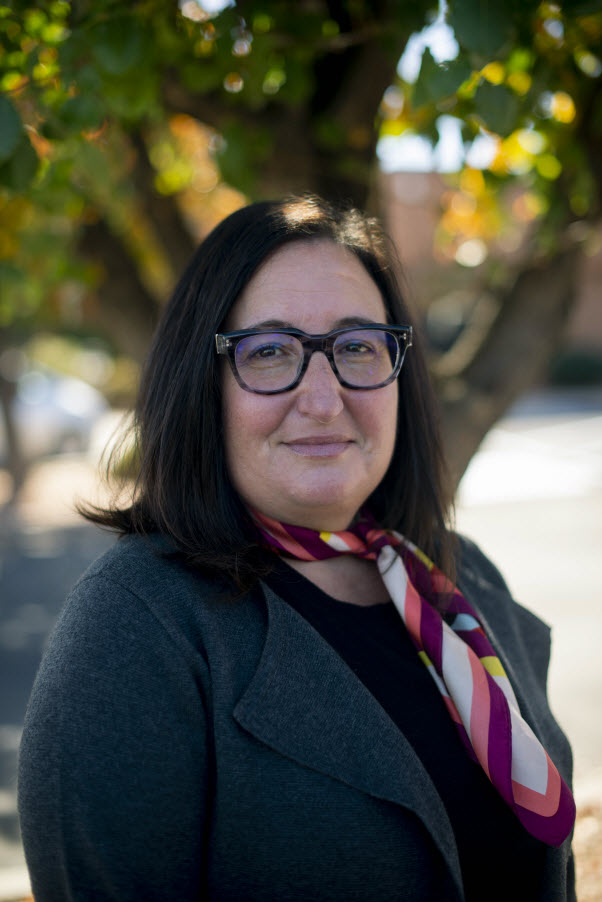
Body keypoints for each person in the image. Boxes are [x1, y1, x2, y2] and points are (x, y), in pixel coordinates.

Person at [18, 195, 576, 901]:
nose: (323, 397)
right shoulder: (135, 622)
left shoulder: (460, 578)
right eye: (271, 351)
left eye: (357, 347)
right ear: (201, 383)